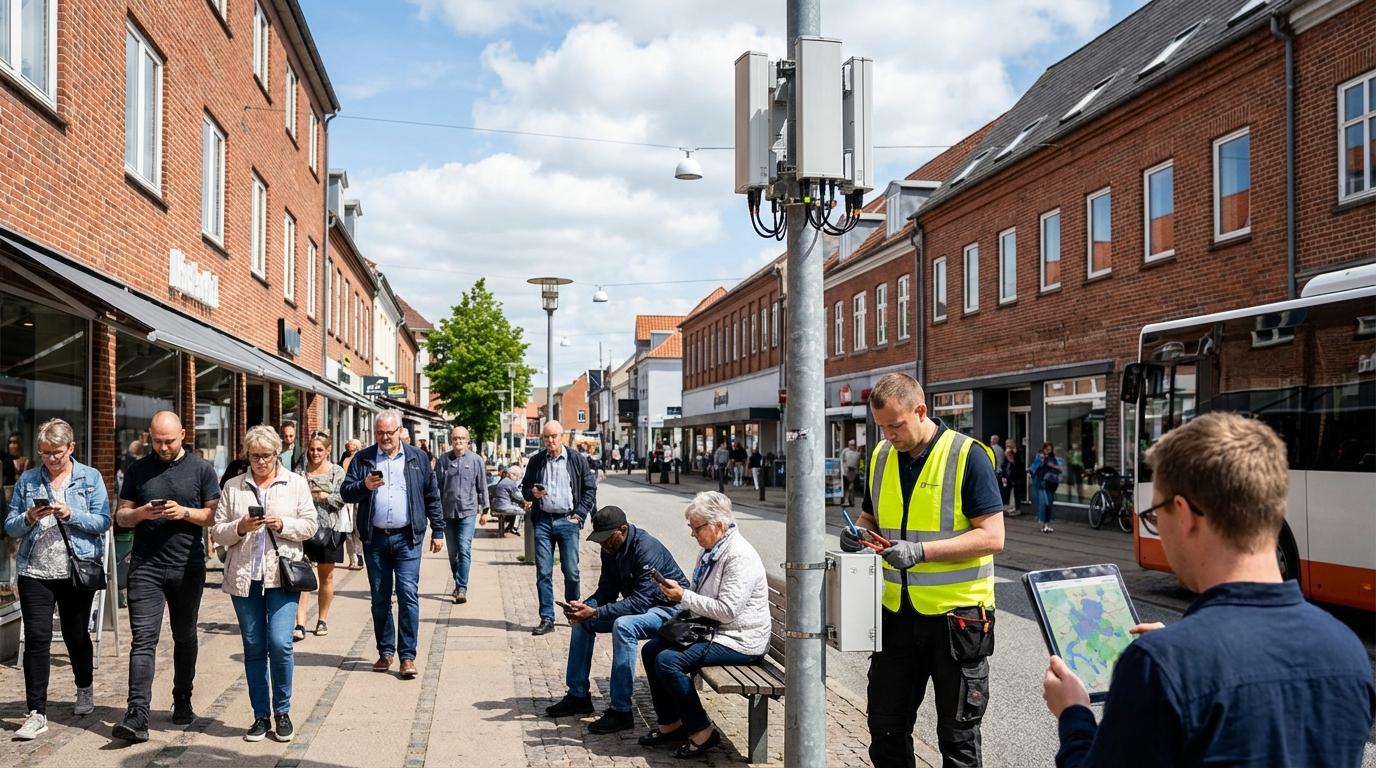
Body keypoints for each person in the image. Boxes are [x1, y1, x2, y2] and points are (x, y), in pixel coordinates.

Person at [1042, 412, 1375, 767]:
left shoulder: (1158, 666)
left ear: (1183, 514)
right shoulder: (1347, 651)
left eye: (1155, 514)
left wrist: (1074, 715)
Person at [839, 373, 1004, 768]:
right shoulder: (880, 457)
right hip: (897, 616)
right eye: (882, 426)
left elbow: (993, 536)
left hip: (957, 620)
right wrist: (858, 534)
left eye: (896, 425)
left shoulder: (968, 455)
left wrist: (921, 552)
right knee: (886, 729)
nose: (889, 435)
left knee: (957, 738)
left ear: (921, 411)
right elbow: (870, 517)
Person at [113, 411, 222, 742]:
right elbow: (121, 517)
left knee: (184, 635)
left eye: (170, 441)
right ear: (149, 436)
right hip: (145, 565)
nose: (163, 447)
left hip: (186, 566)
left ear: (184, 434)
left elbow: (213, 516)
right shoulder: (138, 469)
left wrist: (184, 512)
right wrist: (142, 513)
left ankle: (182, 697)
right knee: (143, 639)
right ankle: (137, 714)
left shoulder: (201, 470)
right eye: (157, 440)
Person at [640, 492, 769, 757]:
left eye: (696, 527)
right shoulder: (711, 551)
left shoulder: (738, 556)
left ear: (718, 526)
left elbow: (727, 611)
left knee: (667, 661)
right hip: (715, 629)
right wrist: (677, 593)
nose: (692, 534)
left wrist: (684, 596)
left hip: (741, 638)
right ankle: (671, 724)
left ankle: (702, 732)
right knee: (651, 650)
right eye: (691, 527)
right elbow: (702, 595)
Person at [5, 419, 112, 740]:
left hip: (75, 570)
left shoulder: (89, 478)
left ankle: (84, 687)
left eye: (58, 453)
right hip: (34, 571)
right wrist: (28, 517)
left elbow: (104, 521)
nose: (51, 459)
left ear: (71, 448)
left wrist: (71, 514)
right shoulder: (28, 480)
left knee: (75, 634)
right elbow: (10, 526)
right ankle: (36, 712)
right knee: (37, 640)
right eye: (46, 453)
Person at [213, 426, 317, 742]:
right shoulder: (233, 486)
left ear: (276, 455)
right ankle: (260, 716)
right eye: (255, 456)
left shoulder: (295, 483)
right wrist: (240, 527)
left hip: (282, 577)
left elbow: (311, 525)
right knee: (254, 646)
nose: (260, 462)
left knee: (280, 643)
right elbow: (217, 531)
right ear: (247, 455)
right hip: (245, 577)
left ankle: (282, 711)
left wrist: (283, 523)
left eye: (267, 456)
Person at [545, 505, 687, 734]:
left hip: (670, 611)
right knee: (583, 622)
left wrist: (597, 612)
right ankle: (578, 695)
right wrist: (586, 607)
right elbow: (606, 591)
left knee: (624, 626)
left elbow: (640, 602)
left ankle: (621, 710)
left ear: (623, 529)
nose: (603, 544)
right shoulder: (610, 549)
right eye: (599, 539)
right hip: (644, 608)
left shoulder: (646, 548)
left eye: (606, 538)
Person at [341, 410, 444, 679]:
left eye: (390, 432)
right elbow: (345, 492)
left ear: (400, 431)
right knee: (380, 598)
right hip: (375, 538)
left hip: (408, 538)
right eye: (380, 433)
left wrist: (438, 531)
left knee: (408, 594)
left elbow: (431, 495)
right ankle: (386, 651)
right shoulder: (363, 458)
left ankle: (407, 657)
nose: (385, 437)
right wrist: (364, 485)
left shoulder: (417, 457)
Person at [522, 420, 597, 636]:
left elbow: (590, 489)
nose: (550, 441)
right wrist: (532, 494)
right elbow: (526, 488)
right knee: (544, 571)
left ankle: (574, 611)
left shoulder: (576, 459)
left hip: (568, 521)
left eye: (554, 436)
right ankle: (547, 618)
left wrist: (580, 514)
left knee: (571, 571)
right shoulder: (537, 461)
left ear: (561, 436)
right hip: (544, 520)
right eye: (546, 437)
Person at [294, 433, 345, 640]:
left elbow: (342, 499)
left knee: (326, 576)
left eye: (319, 450)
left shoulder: (336, 472)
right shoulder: (300, 472)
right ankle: (300, 623)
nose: (315, 453)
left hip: (329, 530)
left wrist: (324, 496)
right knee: (302, 577)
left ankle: (322, 619)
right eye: (312, 449)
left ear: (328, 450)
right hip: (304, 529)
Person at [435, 426, 487, 605]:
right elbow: (437, 488)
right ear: (451, 440)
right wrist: (435, 512)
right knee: (452, 553)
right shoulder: (443, 460)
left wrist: (485, 510)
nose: (458, 442)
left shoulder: (475, 460)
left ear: (467, 440)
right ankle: (458, 583)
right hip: (448, 512)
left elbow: (482, 486)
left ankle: (462, 587)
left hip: (468, 511)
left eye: (462, 439)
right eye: (455, 438)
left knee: (464, 548)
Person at [339, 439, 364, 570]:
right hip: (345, 498)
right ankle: (352, 558)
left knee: (357, 529)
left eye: (353, 447)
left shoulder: (360, 459)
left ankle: (359, 556)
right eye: (349, 446)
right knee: (347, 529)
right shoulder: (344, 458)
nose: (350, 448)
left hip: (357, 498)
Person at [1031, 442, 1064, 533]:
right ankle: (1043, 523)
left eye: (1050, 449)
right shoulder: (1040, 457)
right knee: (1044, 503)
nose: (1048, 451)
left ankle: (1047, 524)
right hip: (1042, 483)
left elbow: (1060, 469)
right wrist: (1041, 462)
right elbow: (1034, 469)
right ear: (1043, 449)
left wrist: (1053, 466)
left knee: (1049, 504)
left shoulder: (1053, 458)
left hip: (1052, 484)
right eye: (1046, 449)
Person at [489, 464, 526, 535]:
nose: (517, 479)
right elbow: (517, 496)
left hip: (497, 505)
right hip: (503, 506)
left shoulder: (504, 480)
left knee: (516, 507)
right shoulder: (510, 482)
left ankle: (510, 527)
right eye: (517, 477)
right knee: (523, 511)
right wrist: (526, 499)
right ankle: (514, 528)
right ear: (513, 475)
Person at [840, 438, 862, 505]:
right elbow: (842, 460)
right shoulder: (845, 451)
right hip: (846, 471)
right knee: (846, 486)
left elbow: (858, 462)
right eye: (851, 445)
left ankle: (850, 500)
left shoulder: (857, 453)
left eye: (853, 445)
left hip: (853, 471)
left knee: (851, 485)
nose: (852, 446)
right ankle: (845, 500)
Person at [1006, 446, 1026, 517]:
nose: (1008, 457)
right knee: (1013, 496)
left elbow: (1015, 472)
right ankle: (1014, 508)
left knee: (1016, 496)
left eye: (1009, 456)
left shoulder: (1015, 463)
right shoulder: (1010, 463)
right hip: (1013, 482)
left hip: (1016, 482)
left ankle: (1017, 509)